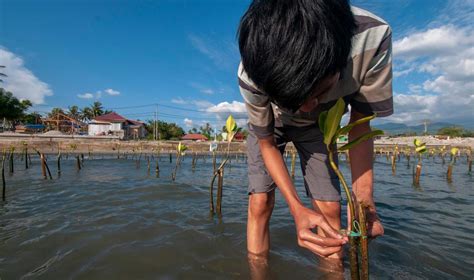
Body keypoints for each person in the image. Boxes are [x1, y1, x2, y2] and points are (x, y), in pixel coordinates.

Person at [237, 0, 392, 263]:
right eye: (295, 100)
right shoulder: (252, 73)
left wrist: (364, 204)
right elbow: (266, 144)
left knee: (330, 209)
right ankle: (257, 271)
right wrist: (297, 209)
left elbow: (360, 125)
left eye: (318, 92)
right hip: (271, 125)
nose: (305, 108)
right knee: (260, 202)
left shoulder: (372, 38)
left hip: (318, 126)